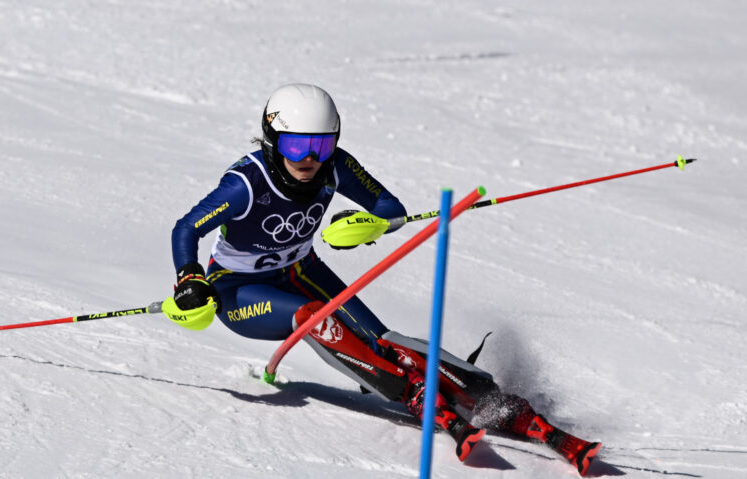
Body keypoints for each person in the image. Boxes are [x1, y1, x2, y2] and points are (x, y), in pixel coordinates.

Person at [164, 83, 601, 475]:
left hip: (301, 271)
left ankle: (492, 399)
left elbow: (389, 206)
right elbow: (186, 228)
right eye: (297, 147)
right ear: (273, 140)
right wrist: (190, 278)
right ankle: (411, 392)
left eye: (321, 144)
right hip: (238, 290)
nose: (310, 159)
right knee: (314, 316)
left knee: (383, 339)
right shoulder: (245, 184)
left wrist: (368, 223)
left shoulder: (334, 166)